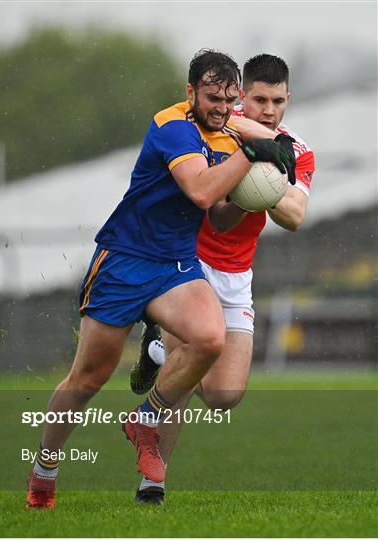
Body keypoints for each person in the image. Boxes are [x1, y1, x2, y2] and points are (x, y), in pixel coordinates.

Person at [26, 49, 296, 509]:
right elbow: (200, 188)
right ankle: (44, 469)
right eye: (212, 97)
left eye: (229, 100)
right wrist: (254, 152)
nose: (221, 108)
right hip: (125, 261)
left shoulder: (229, 135)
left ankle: (145, 418)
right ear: (189, 93)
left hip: (177, 263)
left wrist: (258, 191)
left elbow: (220, 215)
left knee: (211, 339)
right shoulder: (172, 125)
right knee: (89, 377)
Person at [129, 53, 315, 505]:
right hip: (187, 261)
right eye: (258, 99)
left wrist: (265, 177)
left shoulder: (298, 150)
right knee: (187, 374)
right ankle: (152, 485)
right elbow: (212, 208)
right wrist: (251, 156)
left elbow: (293, 215)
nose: (268, 109)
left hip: (236, 274)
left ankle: (155, 348)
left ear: (288, 99)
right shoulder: (216, 123)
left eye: (277, 101)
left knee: (225, 396)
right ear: (241, 96)